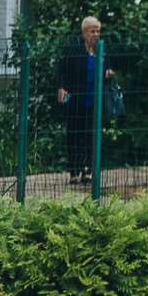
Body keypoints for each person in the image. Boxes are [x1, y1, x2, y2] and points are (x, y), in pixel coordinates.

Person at [54, 16, 108, 182]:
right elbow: (61, 70)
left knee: (91, 134)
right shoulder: (73, 48)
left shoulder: (101, 49)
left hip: (94, 100)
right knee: (74, 135)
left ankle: (89, 170)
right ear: (84, 32)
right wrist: (61, 87)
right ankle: (74, 171)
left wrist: (108, 74)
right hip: (76, 99)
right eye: (93, 31)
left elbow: (107, 68)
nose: (96, 35)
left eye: (98, 31)